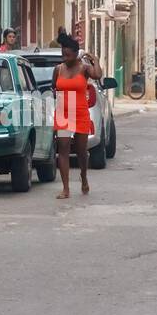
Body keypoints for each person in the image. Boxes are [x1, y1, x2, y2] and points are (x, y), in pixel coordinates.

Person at [52, 29, 103, 199]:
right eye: (62, 54)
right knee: (64, 148)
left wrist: (94, 59)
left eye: (67, 55)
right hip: (63, 113)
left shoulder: (84, 69)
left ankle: (84, 176)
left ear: (75, 54)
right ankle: (66, 188)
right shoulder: (58, 69)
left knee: (81, 151)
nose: (64, 58)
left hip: (80, 112)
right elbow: (54, 89)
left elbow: (98, 75)